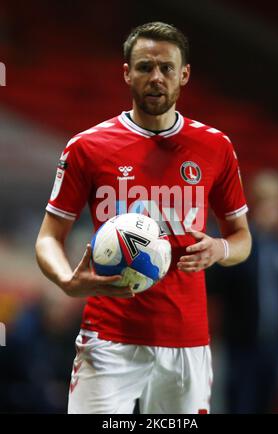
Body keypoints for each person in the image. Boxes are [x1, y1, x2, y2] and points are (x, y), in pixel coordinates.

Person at [35, 22, 252, 414]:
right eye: (145, 67)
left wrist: (219, 248)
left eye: (166, 68)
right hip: (107, 340)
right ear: (126, 73)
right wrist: (67, 280)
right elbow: (49, 236)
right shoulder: (87, 147)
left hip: (187, 344)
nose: (156, 77)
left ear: (184, 75)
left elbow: (242, 238)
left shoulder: (215, 147)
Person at [207, 170, 278, 413]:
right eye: (268, 201)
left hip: (274, 346)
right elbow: (217, 284)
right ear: (255, 204)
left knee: (267, 404)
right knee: (240, 405)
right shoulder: (242, 245)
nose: (274, 209)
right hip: (240, 345)